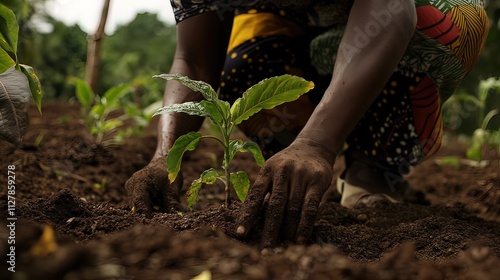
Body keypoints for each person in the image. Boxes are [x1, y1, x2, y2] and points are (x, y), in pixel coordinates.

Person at [125, 0, 489, 247]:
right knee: (244, 67)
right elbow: (194, 58)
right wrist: (164, 156)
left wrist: (317, 143)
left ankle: (372, 174)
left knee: (454, 21)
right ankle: (296, 170)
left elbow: (391, 9)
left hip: (389, 17)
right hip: (288, 29)